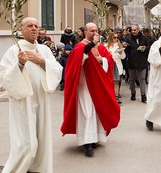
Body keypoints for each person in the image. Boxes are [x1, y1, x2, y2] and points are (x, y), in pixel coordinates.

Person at [0, 17, 62, 173]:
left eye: (36, 26)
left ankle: (36, 169)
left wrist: (42, 61)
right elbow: (4, 77)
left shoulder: (45, 50)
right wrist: (19, 64)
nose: (34, 28)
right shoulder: (14, 50)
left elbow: (57, 70)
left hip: (42, 99)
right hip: (23, 102)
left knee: (42, 142)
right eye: (30, 26)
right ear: (22, 30)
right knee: (27, 145)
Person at [60, 22, 120, 157]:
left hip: (98, 87)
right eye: (92, 30)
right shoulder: (80, 46)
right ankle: (87, 142)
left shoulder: (101, 47)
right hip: (85, 86)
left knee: (97, 113)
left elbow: (109, 61)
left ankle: (95, 138)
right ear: (85, 32)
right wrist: (90, 47)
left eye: (96, 30)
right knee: (87, 113)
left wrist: (102, 60)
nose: (94, 33)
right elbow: (76, 61)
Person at [123, 24, 150, 103]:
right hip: (131, 62)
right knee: (132, 79)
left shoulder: (144, 38)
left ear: (138, 30)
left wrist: (145, 48)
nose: (133, 31)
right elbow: (125, 50)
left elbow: (149, 47)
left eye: (135, 30)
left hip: (142, 62)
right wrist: (125, 47)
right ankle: (133, 93)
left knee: (142, 79)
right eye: (132, 30)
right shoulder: (128, 39)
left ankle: (143, 95)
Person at [105, 32, 126, 104]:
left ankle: (116, 97)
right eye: (114, 37)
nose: (116, 39)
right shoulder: (106, 46)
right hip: (109, 65)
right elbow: (104, 55)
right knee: (110, 82)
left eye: (117, 37)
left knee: (116, 82)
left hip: (117, 65)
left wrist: (121, 53)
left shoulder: (119, 46)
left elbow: (123, 57)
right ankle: (110, 96)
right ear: (111, 38)